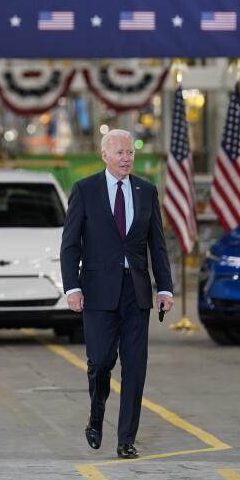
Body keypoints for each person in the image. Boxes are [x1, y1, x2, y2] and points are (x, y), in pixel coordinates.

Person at [60, 128, 173, 458]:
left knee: (135, 367)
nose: (126, 158)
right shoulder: (85, 191)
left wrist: (164, 287)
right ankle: (96, 417)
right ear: (105, 156)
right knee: (101, 361)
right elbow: (70, 245)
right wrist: (72, 287)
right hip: (97, 292)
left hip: (136, 292)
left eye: (130, 153)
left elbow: (158, 245)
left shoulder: (146, 191)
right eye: (120, 152)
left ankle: (126, 439)